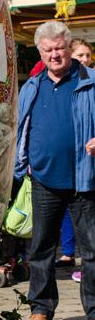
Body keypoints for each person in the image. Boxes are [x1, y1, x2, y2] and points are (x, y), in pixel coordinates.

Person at [15, 21, 95, 320]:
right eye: (48, 50)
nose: (54, 55)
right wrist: (23, 160)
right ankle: (41, 309)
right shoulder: (32, 86)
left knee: (92, 251)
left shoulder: (90, 81)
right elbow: (21, 127)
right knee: (41, 250)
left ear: (69, 47)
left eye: (59, 48)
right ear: (40, 52)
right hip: (44, 180)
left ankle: (94, 311)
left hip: (85, 179)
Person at [55, 39, 94, 280]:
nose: (85, 59)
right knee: (71, 215)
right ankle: (70, 254)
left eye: (88, 55)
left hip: (89, 164)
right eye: (81, 55)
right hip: (69, 165)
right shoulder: (59, 83)